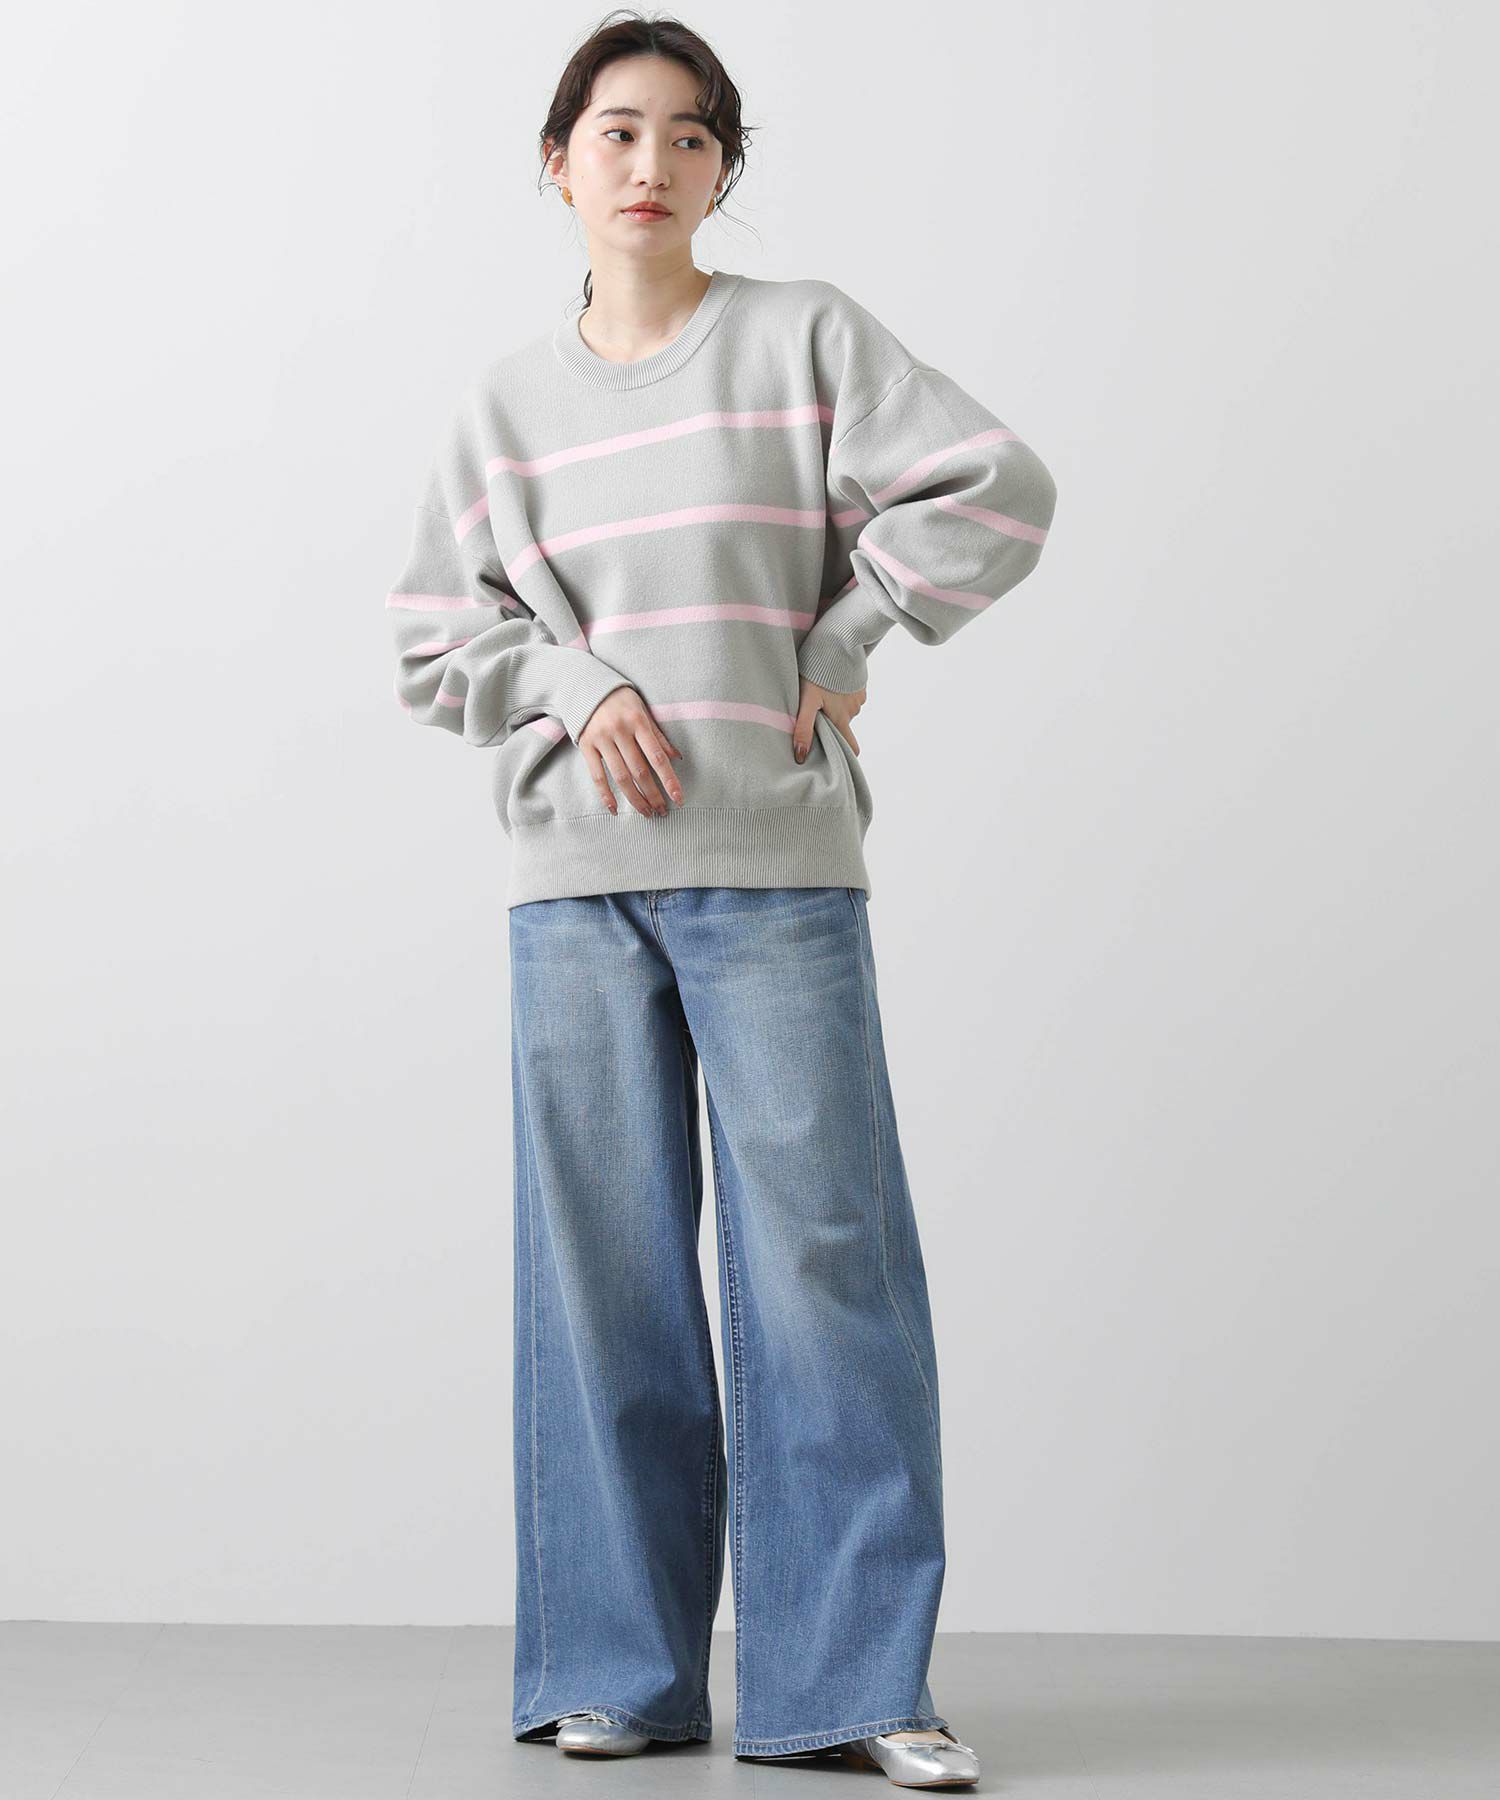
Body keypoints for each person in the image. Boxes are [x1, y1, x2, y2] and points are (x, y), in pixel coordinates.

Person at [386, 13, 1057, 1790]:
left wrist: (847, 634)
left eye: (692, 137)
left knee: (826, 1271)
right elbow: (433, 637)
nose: (653, 163)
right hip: (574, 888)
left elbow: (998, 488)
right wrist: (567, 680)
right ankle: (619, 1669)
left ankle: (854, 1686)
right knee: (601, 1281)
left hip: (774, 867)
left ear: (723, 170)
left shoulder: (803, 336)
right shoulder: (503, 407)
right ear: (557, 163)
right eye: (617, 131)